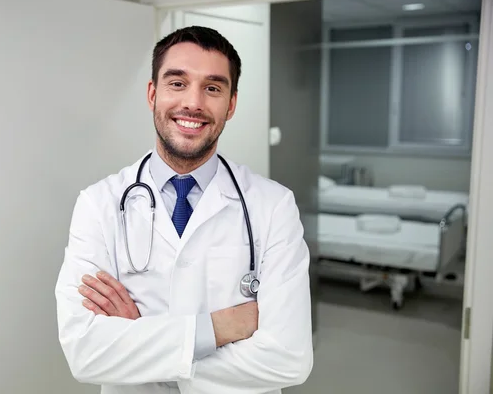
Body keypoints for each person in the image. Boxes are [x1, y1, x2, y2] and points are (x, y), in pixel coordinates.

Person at [55, 26, 313, 394]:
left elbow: (290, 358)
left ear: (232, 103)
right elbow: (85, 352)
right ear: (152, 93)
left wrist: (142, 343)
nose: (193, 103)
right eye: (177, 83)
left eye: (212, 88)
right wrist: (221, 328)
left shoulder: (273, 206)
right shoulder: (98, 204)